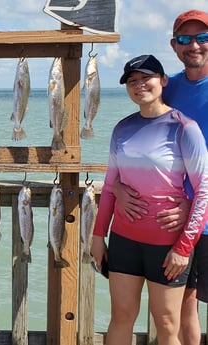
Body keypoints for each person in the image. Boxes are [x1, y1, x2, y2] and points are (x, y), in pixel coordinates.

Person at [90, 54, 208, 345]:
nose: (139, 85)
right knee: (120, 317)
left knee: (167, 324)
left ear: (163, 81)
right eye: (132, 81)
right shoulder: (122, 129)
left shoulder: (184, 127)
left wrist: (183, 247)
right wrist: (97, 236)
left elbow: (203, 191)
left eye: (146, 78)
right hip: (124, 241)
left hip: (168, 245)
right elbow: (108, 188)